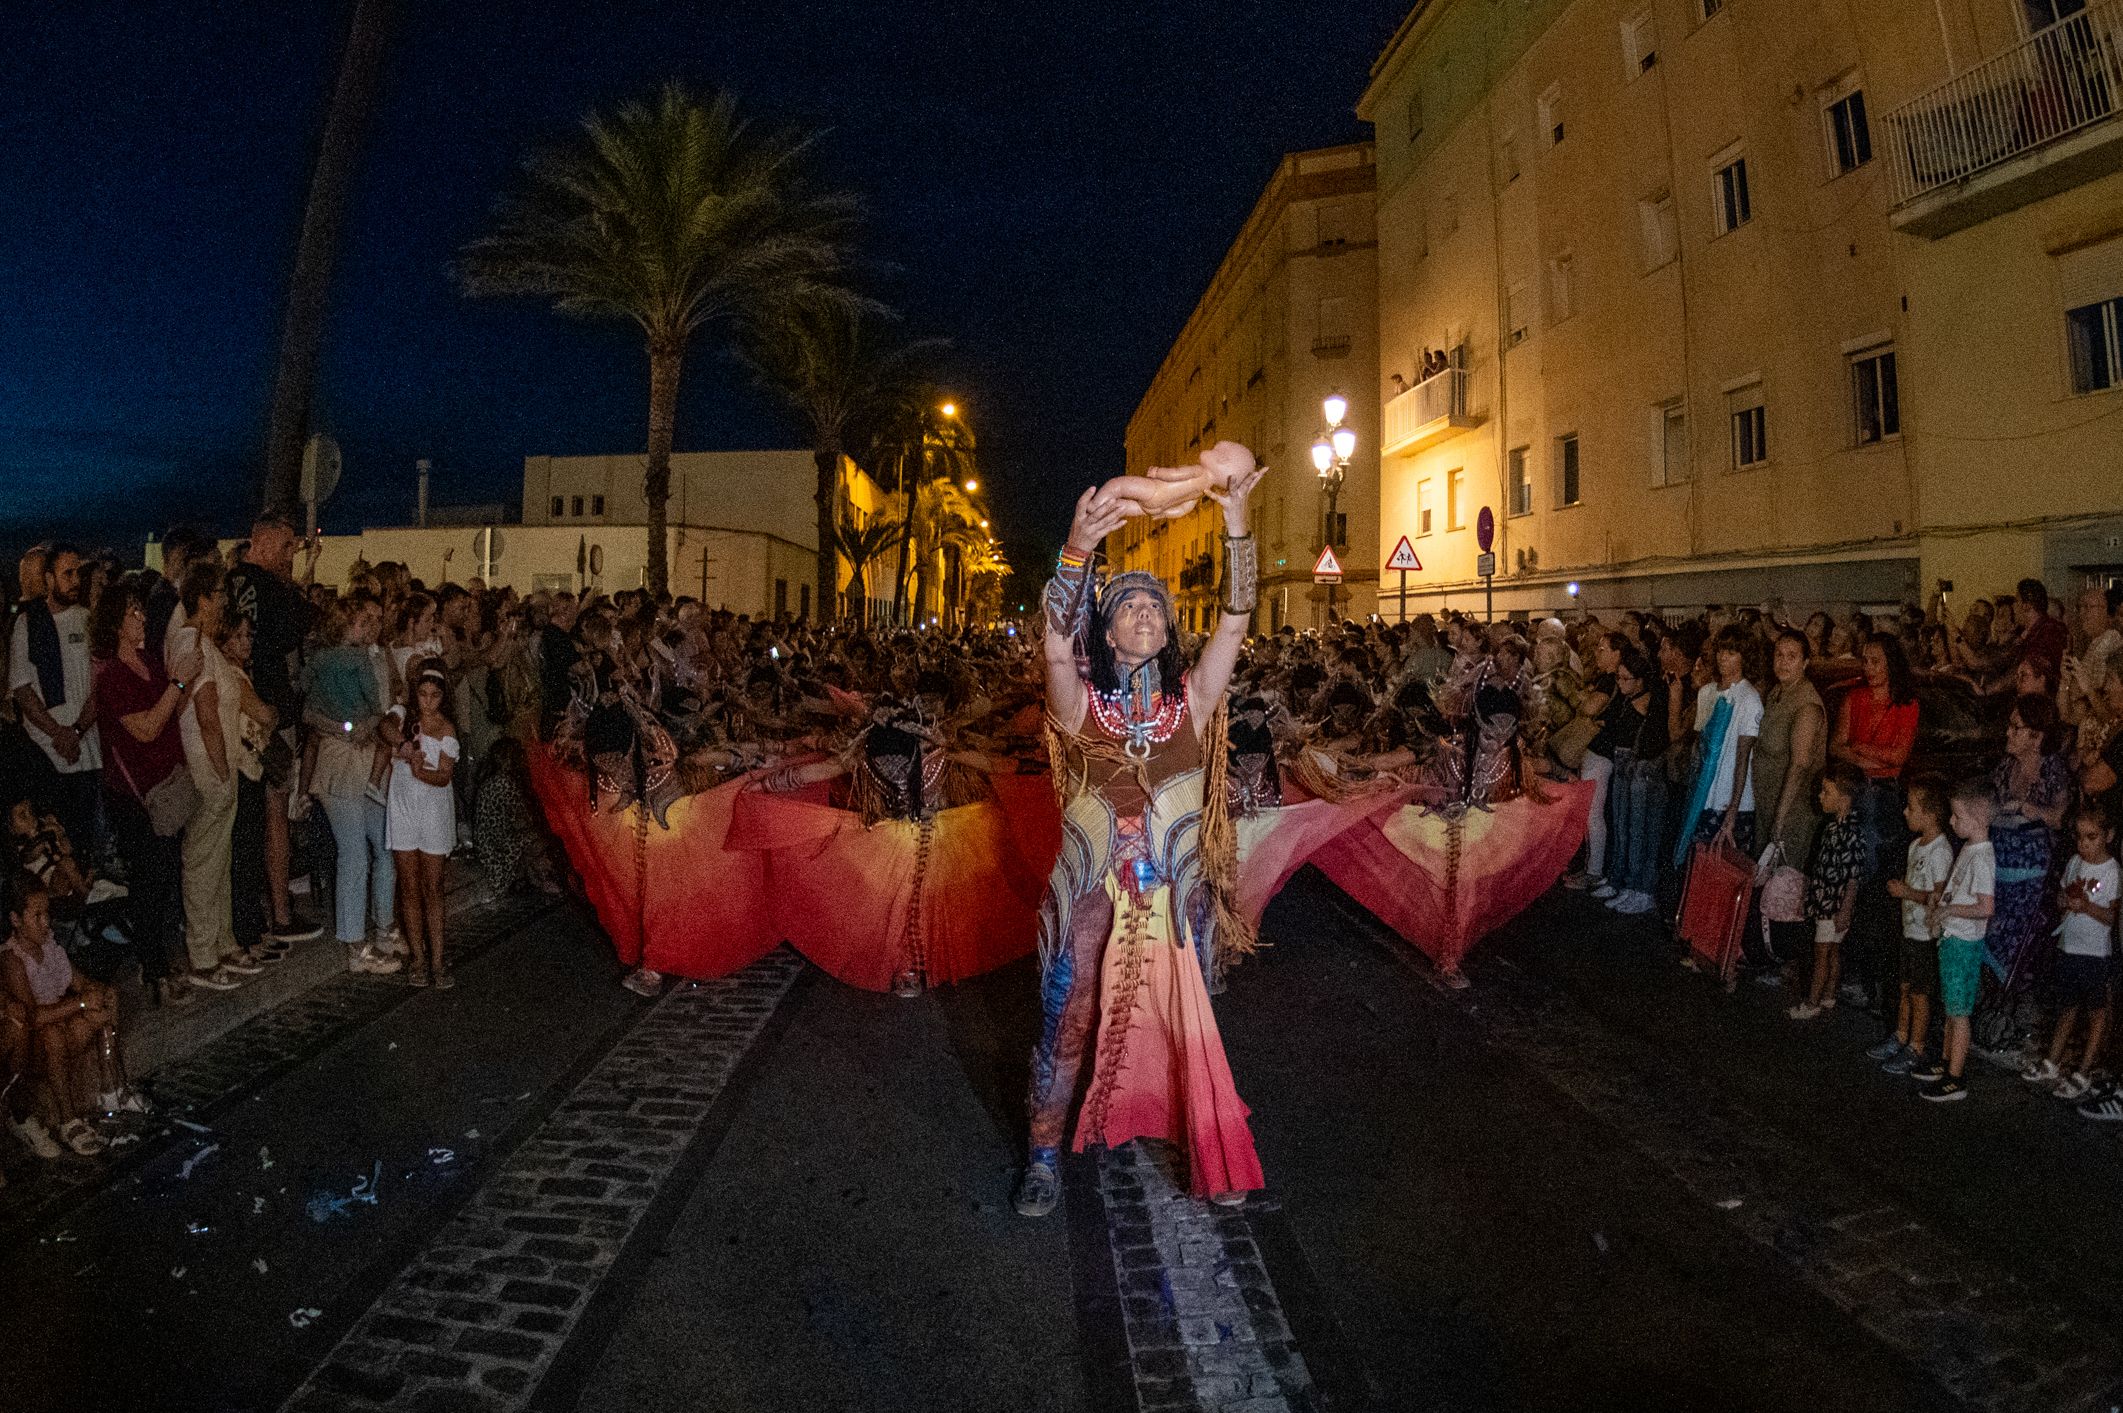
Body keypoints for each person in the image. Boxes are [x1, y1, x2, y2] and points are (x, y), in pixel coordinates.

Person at [1016, 442, 1265, 1218]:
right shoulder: (1079, 707)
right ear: (1109, 630)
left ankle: (1201, 1143)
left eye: (1153, 605)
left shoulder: (1189, 704)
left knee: (1188, 1026)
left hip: (1173, 898)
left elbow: (1236, 617)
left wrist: (1236, 520)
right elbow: (1054, 643)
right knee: (1066, 1020)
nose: (1144, 612)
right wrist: (1079, 548)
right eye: (1128, 605)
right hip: (1090, 894)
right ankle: (1042, 1154)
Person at [92, 580, 207, 1006]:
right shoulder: (113, 676)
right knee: (148, 881)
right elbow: (144, 728)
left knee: (164, 877)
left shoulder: (148, 662)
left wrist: (180, 683)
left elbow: (170, 710)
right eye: (132, 613)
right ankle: (153, 967)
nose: (141, 619)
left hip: (164, 782)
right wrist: (177, 685)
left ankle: (159, 959)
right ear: (115, 624)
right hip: (135, 793)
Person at [225, 515, 322, 944]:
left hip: (239, 707)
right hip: (268, 711)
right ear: (261, 544)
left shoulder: (230, 585)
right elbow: (298, 627)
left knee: (245, 818)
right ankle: (280, 913)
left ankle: (251, 915)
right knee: (273, 813)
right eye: (285, 548)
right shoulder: (268, 588)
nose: (289, 557)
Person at [3, 872, 139, 1160]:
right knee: (54, 1035)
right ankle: (68, 1121)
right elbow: (33, 1019)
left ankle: (112, 1087)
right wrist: (79, 1004)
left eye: (46, 914)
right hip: (36, 1046)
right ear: (16, 920)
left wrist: (96, 992)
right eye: (36, 916)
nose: (45, 923)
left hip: (62, 1027)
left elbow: (77, 982)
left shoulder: (50, 947)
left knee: (103, 1001)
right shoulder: (13, 960)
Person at [172, 562, 264, 986]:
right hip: (210, 767)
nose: (225, 602)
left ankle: (223, 941)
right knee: (204, 862)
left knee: (219, 860)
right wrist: (222, 767)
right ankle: (203, 954)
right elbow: (206, 712)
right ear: (203, 599)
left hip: (219, 765)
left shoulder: (205, 641)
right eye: (220, 595)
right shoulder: (190, 640)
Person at [1975, 693, 2073, 1056]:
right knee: (1990, 938)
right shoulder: (2004, 766)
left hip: (2031, 873)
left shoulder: (2052, 769)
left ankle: (2014, 1024)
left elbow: (2062, 818)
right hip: (1997, 864)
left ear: (2036, 735)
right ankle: (1989, 1017)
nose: (2009, 733)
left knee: (2021, 946)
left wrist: (2032, 809)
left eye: (2017, 728)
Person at [8, 544, 104, 860]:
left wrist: (76, 731)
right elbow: (22, 687)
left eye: (78, 573)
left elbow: (99, 685)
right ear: (49, 579)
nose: (76, 580)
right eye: (68, 573)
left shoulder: (87, 620)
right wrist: (59, 733)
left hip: (87, 752)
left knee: (89, 848)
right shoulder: (28, 624)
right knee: (60, 850)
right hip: (48, 756)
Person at [2020, 805, 2117, 1098]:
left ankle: (2084, 1072)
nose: (2084, 844)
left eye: (2092, 837)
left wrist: (2086, 906)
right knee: (2067, 1008)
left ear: (2108, 836)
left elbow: (2112, 917)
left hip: (2094, 953)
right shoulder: (2075, 862)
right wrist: (2064, 901)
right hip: (2069, 946)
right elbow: (2063, 893)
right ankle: (2052, 1061)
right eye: (2080, 837)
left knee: (2096, 1013)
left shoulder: (2112, 871)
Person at [1917, 781, 1996, 1102]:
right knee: (1951, 1007)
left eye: (1957, 816)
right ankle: (1947, 1061)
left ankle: (1955, 1077)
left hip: (1965, 942)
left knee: (1959, 1011)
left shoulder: (1983, 858)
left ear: (1977, 820)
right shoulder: (1970, 849)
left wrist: (1950, 909)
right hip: (1953, 937)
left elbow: (1986, 907)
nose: (1952, 822)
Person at [1874, 776, 1953, 1075]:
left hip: (1925, 934)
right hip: (1910, 930)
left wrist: (1907, 893)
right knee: (1905, 986)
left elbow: (1939, 896)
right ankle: (1901, 1035)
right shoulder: (1915, 846)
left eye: (1911, 807)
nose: (1905, 813)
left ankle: (1916, 1045)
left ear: (1930, 814)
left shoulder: (1940, 851)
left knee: (1920, 992)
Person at [388, 664, 460, 988]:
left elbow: (444, 776)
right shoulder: (404, 717)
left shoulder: (447, 729)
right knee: (408, 885)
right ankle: (417, 957)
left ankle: (437, 960)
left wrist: (421, 771)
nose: (428, 701)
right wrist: (405, 748)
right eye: (423, 694)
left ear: (443, 697)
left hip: (432, 808)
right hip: (403, 806)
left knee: (433, 886)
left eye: (435, 695)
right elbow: (384, 727)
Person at [1788, 762, 1868, 1021]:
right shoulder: (1834, 828)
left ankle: (1811, 1002)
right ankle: (1829, 995)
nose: (1821, 797)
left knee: (1821, 953)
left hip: (1832, 905)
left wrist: (1845, 908)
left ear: (1844, 798)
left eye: (1827, 792)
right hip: (1828, 900)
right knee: (1832, 952)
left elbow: (1853, 876)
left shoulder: (1851, 834)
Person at [1597, 648, 1668, 916]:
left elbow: (1655, 737)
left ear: (1640, 680)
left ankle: (1638, 887)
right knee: (1621, 825)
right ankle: (1619, 879)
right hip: (1623, 761)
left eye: (1626, 679)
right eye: (1618, 678)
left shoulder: (1648, 702)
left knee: (1639, 828)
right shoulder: (1626, 699)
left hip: (1638, 766)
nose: (1620, 683)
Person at [1752, 629, 1826, 877]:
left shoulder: (1807, 705)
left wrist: (1780, 816)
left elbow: (1800, 765)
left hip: (1792, 812)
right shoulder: (1777, 693)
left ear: (1805, 663)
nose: (1783, 662)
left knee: (1783, 890)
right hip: (1767, 805)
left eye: (1792, 656)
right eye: (1779, 655)